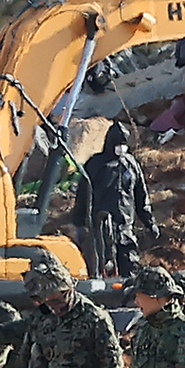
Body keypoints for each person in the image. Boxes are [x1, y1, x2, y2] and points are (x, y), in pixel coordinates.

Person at [73, 119, 160, 279]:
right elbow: (83, 194)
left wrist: (149, 222)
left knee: (130, 266)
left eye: (124, 143)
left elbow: (141, 196)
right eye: (118, 143)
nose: (121, 147)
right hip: (101, 229)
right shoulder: (96, 164)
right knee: (103, 270)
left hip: (125, 228)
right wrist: (79, 223)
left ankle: (130, 300)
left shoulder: (131, 164)